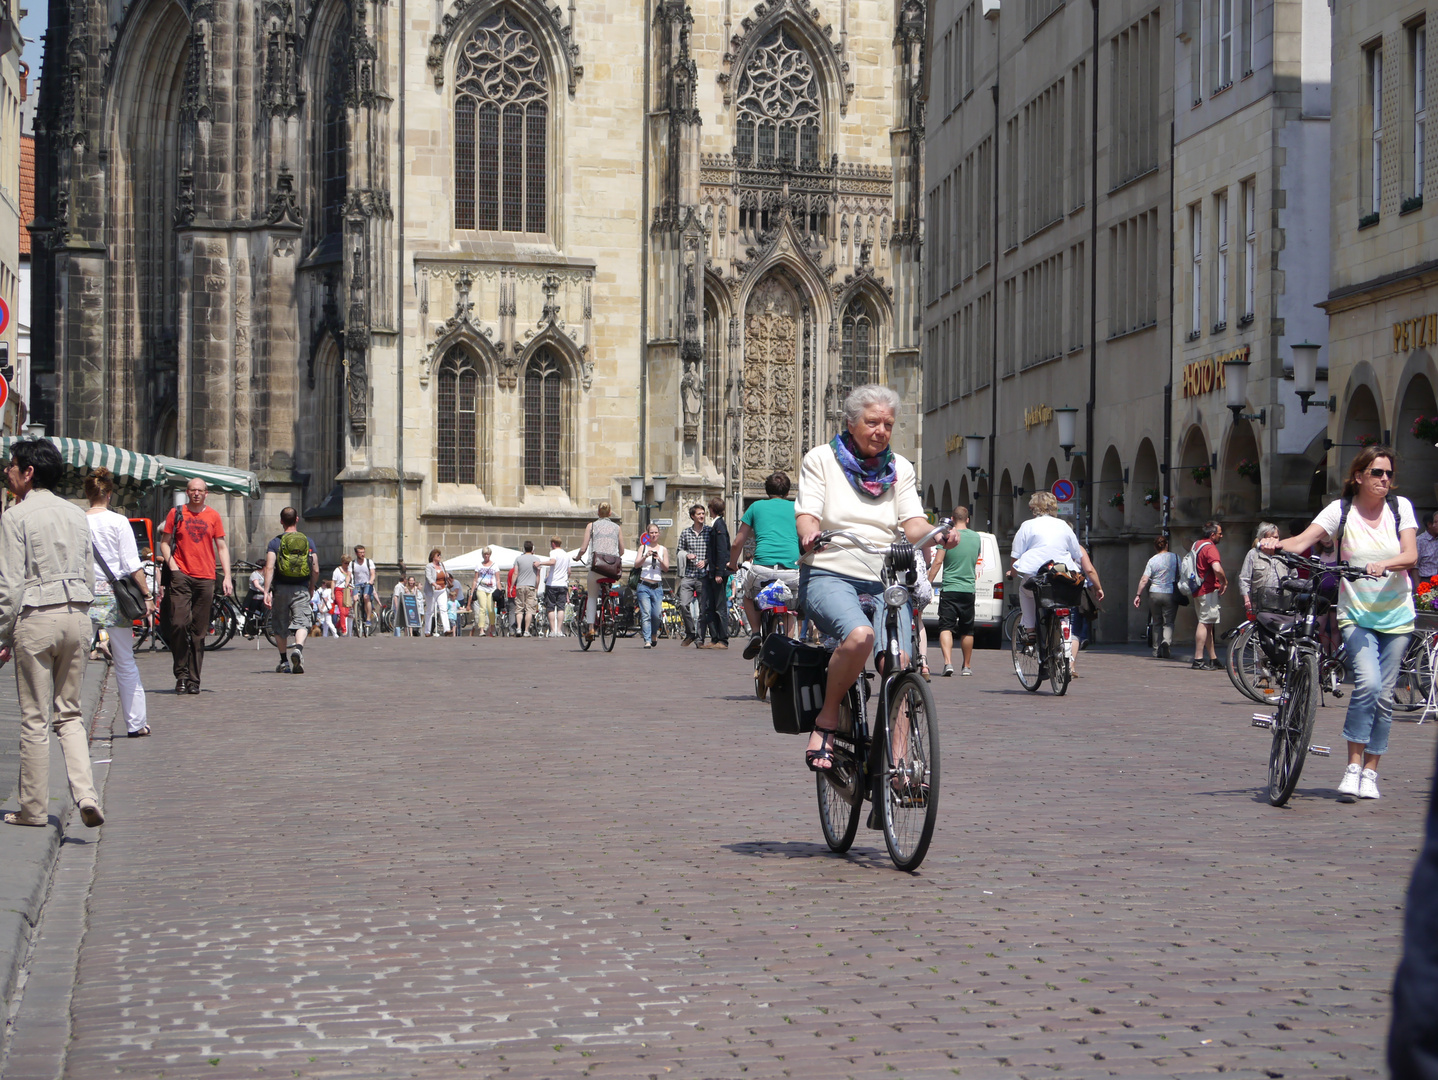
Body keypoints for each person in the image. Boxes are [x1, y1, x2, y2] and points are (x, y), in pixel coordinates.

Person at [794, 385, 957, 773]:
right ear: (851, 424)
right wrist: (810, 532)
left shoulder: (899, 467)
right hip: (830, 569)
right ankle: (827, 720)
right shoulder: (820, 460)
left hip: (884, 577)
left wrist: (938, 533)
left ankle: (898, 764)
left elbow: (913, 522)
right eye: (872, 422)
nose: (881, 430)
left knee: (899, 662)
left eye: (887, 423)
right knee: (860, 637)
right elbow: (808, 513)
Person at [1261, 444, 1417, 801]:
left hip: (1397, 615)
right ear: (1359, 476)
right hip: (1357, 613)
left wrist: (1386, 565)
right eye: (1377, 473)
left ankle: (1371, 773)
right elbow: (1303, 541)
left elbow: (1410, 554)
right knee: (1368, 683)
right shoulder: (1341, 510)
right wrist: (1274, 544)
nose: (1384, 479)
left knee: (1384, 696)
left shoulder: (1400, 507)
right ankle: (1352, 766)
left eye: (1389, 473)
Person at [0, 439, 105, 828]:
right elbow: (91, 574)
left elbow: (10, 586)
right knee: (70, 715)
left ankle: (33, 809)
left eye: (12, 466)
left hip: (36, 617)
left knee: (34, 718)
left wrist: (2, 634)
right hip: (77, 616)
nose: (8, 472)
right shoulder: (77, 514)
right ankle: (86, 794)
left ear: (29, 472)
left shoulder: (16, 516)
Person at [84, 468, 155, 739]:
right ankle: (136, 723)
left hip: (86, 595)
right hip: (116, 598)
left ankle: (69, 720)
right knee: (125, 660)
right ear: (109, 494)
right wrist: (147, 595)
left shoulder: (78, 521)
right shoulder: (118, 522)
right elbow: (131, 564)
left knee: (76, 662)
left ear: (88, 494)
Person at [157, 478, 233, 694]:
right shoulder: (176, 512)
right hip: (181, 575)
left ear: (206, 493)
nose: (197, 494)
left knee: (199, 632)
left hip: (206, 577)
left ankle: (193, 680)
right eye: (193, 490)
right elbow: (164, 541)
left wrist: (226, 576)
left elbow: (222, 546)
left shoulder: (213, 516)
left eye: (200, 490)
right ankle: (180, 674)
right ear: (187, 492)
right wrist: (173, 567)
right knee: (179, 624)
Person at [1010, 491, 1104, 653]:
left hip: (1036, 576)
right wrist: (1097, 586)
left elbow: (1016, 557)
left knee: (1025, 591)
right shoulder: (1063, 526)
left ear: (1034, 509)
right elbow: (1077, 554)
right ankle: (1064, 636)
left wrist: (1011, 573)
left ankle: (1030, 630)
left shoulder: (1027, 526)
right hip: (1062, 576)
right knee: (1064, 603)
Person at [728, 471, 801, 657]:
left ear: (766, 490)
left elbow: (738, 542)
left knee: (748, 596)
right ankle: (789, 647)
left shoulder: (756, 507)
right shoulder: (797, 508)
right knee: (790, 607)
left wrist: (732, 564)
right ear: (787, 492)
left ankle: (755, 633)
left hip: (762, 569)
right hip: (791, 570)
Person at [263, 508, 319, 671]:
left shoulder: (275, 542)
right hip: (301, 586)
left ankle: (284, 662)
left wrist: (266, 591)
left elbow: (269, 567)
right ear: (297, 519)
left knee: (280, 624)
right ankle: (298, 649)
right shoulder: (308, 541)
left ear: (281, 521)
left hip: (280, 588)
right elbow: (315, 569)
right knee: (302, 621)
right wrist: (311, 587)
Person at [933, 505, 981, 677]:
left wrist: (928, 580)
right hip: (968, 588)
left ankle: (948, 663)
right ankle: (966, 666)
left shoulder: (948, 536)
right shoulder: (976, 537)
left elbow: (938, 562)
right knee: (967, 629)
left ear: (952, 519)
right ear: (967, 519)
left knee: (946, 626)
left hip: (950, 587)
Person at [577, 503, 625, 641]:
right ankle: (609, 608)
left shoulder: (591, 526)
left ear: (598, 512)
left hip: (597, 567)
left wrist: (578, 557)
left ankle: (591, 628)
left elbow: (583, 548)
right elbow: (622, 551)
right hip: (611, 570)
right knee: (607, 587)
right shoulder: (617, 528)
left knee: (592, 596)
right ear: (610, 513)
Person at [1190, 521, 1227, 670]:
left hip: (1197, 588)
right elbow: (1217, 568)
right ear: (1212, 535)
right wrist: (1224, 581)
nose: (1221, 535)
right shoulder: (1210, 548)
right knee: (1204, 622)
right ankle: (1198, 659)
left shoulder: (1196, 544)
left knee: (1208, 624)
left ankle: (1213, 658)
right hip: (1207, 589)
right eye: (1219, 533)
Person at [1133, 534, 1178, 658]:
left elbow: (1144, 579)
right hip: (1170, 593)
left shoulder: (1152, 560)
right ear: (1167, 545)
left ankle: (1157, 649)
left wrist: (1138, 595)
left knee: (1157, 621)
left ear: (1155, 547)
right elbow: (1183, 573)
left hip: (1155, 593)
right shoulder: (1175, 558)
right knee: (1168, 622)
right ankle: (1166, 642)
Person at [700, 497, 732, 650]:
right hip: (712, 572)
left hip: (717, 573)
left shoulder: (719, 525)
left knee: (720, 607)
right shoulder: (716, 525)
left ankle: (723, 640)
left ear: (711, 509)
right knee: (710, 606)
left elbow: (721, 550)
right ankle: (714, 638)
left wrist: (719, 572)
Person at [676, 504, 709, 646]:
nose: (702, 516)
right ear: (692, 516)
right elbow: (679, 551)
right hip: (688, 575)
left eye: (703, 513)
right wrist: (686, 555)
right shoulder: (685, 533)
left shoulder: (709, 531)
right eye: (699, 514)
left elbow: (713, 552)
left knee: (703, 609)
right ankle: (691, 632)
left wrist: (706, 561)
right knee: (683, 604)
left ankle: (700, 638)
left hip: (703, 576)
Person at [1239, 523, 1284, 620]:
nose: (1275, 540)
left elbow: (1293, 577)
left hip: (1280, 603)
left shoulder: (1285, 554)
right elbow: (1244, 578)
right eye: (1271, 537)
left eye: (1276, 537)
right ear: (1263, 539)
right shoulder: (1253, 554)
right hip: (1259, 604)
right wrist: (1247, 600)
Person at [635, 525, 671, 648]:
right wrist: (645, 555)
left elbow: (666, 568)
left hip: (657, 586)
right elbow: (636, 565)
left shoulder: (663, 549)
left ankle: (654, 633)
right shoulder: (643, 547)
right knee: (646, 613)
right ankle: (647, 640)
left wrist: (659, 559)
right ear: (648, 534)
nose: (654, 535)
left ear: (659, 534)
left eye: (656, 532)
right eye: (651, 533)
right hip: (644, 585)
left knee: (656, 614)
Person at [534, 537, 573, 638]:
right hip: (563, 584)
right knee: (561, 607)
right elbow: (569, 571)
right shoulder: (566, 554)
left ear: (553, 544)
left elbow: (552, 562)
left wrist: (540, 563)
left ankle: (553, 630)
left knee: (550, 607)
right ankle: (559, 630)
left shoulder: (553, 552)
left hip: (552, 583)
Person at [512, 541, 541, 637]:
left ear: (524, 548)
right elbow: (538, 575)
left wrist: (512, 586)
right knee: (529, 609)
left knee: (519, 609)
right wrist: (537, 587)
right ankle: (526, 630)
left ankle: (519, 628)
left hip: (520, 585)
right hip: (531, 586)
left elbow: (515, 573)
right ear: (532, 548)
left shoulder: (518, 559)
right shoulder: (536, 559)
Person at [471, 549, 498, 636]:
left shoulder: (494, 565)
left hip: (491, 589)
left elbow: (498, 580)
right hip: (481, 588)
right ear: (482, 555)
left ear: (490, 555)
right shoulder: (479, 565)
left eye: (488, 554)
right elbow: (475, 580)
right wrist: (472, 592)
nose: (486, 556)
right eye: (485, 554)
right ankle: (481, 629)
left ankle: (492, 626)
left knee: (490, 609)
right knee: (482, 608)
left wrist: (500, 590)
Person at [423, 549, 449, 636]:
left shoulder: (441, 565)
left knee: (443, 609)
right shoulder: (429, 566)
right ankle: (427, 631)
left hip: (442, 589)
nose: (440, 557)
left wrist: (446, 576)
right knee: (430, 611)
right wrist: (434, 585)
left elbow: (443, 575)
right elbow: (429, 577)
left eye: (440, 555)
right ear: (433, 556)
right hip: (432, 591)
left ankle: (447, 629)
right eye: (438, 555)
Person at [351, 545, 377, 635]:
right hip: (356, 584)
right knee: (355, 599)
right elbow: (349, 575)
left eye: (363, 552)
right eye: (360, 552)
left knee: (366, 597)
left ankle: (368, 619)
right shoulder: (353, 563)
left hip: (367, 584)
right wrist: (347, 582)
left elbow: (372, 573)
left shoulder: (369, 562)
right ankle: (356, 617)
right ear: (356, 553)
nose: (362, 554)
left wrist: (371, 581)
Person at [331, 554, 352, 636]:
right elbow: (334, 582)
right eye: (345, 563)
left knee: (347, 612)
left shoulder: (350, 571)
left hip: (348, 590)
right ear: (342, 562)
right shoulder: (337, 570)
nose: (347, 565)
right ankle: (344, 630)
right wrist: (332, 593)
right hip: (339, 590)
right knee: (342, 610)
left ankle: (338, 625)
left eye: (348, 563)